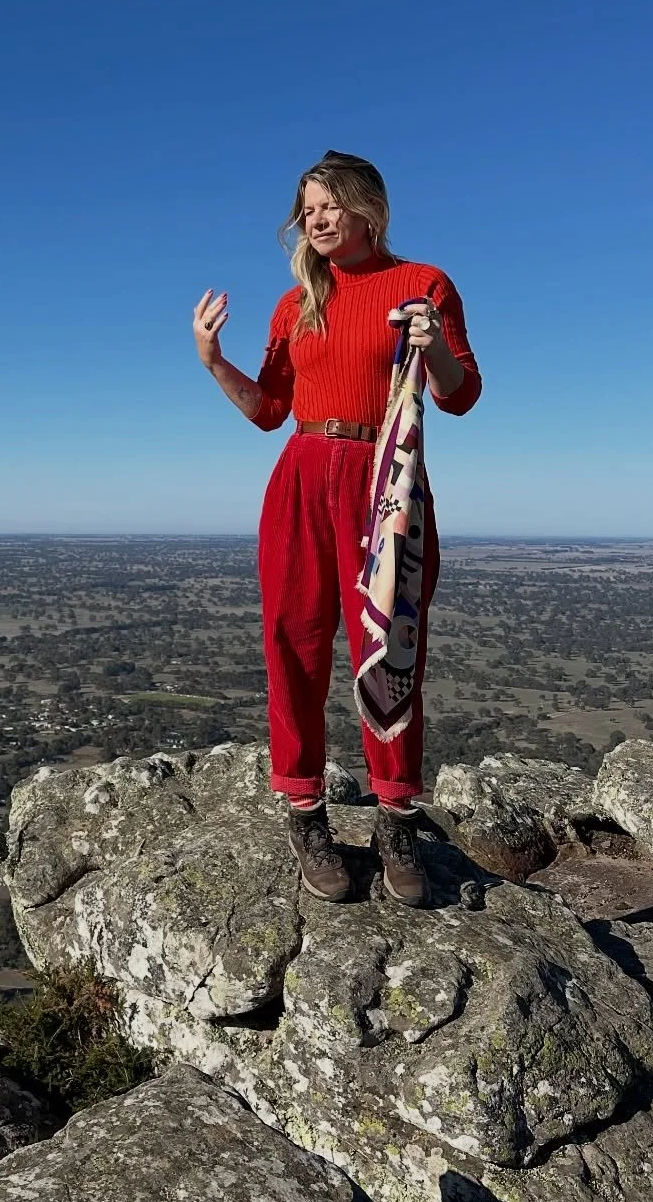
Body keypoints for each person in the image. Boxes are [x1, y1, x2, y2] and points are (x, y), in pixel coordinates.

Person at [192, 151, 481, 906]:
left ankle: (396, 820)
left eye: (329, 206)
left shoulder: (423, 284)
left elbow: (460, 395)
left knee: (392, 648)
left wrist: (433, 347)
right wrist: (214, 361)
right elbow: (269, 411)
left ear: (368, 209)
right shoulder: (295, 304)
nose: (315, 221)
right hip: (301, 475)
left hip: (385, 480)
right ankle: (305, 813)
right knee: (292, 641)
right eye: (307, 210)